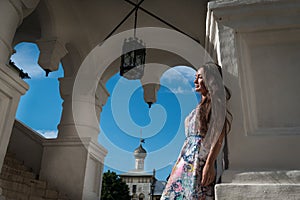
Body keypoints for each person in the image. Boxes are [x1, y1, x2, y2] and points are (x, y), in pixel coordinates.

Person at [160, 62, 232, 200]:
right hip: (184, 162)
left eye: (199, 77)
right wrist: (176, 167)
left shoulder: (215, 105)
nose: (195, 80)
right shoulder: (197, 109)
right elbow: (187, 143)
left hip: (198, 163)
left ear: (209, 80)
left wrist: (209, 164)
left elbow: (218, 136)